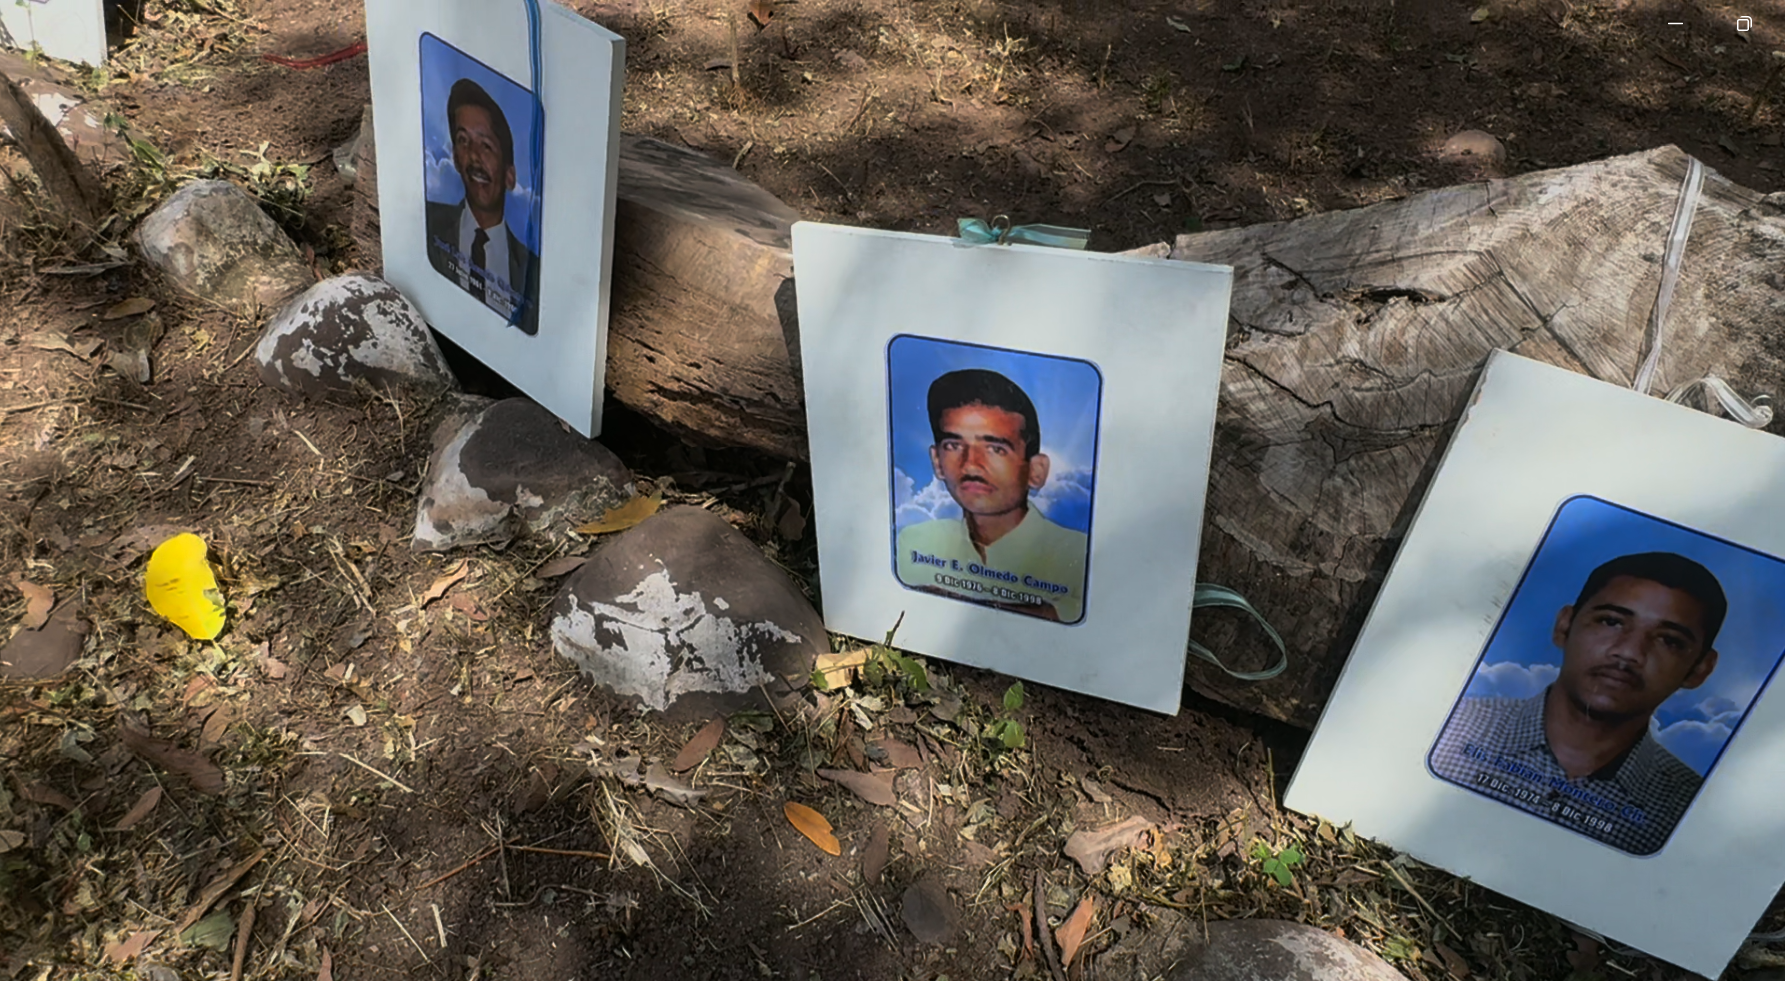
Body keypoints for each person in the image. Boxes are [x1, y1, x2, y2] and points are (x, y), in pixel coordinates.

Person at [1429, 551, 1724, 855]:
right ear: (1564, 626)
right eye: (1611, 622)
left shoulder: (1688, 816)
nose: (1629, 652)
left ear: (1700, 668)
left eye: (1669, 640)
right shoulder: (1446, 725)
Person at [895, 368, 1090, 623]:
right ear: (937, 462)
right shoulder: (916, 543)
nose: (971, 464)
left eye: (995, 449)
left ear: (1036, 470)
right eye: (953, 446)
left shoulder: (1078, 556)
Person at [425, 78, 540, 336]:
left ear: (510, 176)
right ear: (454, 156)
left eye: (486, 145)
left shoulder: (534, 273)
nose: (474, 156)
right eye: (463, 140)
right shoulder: (428, 222)